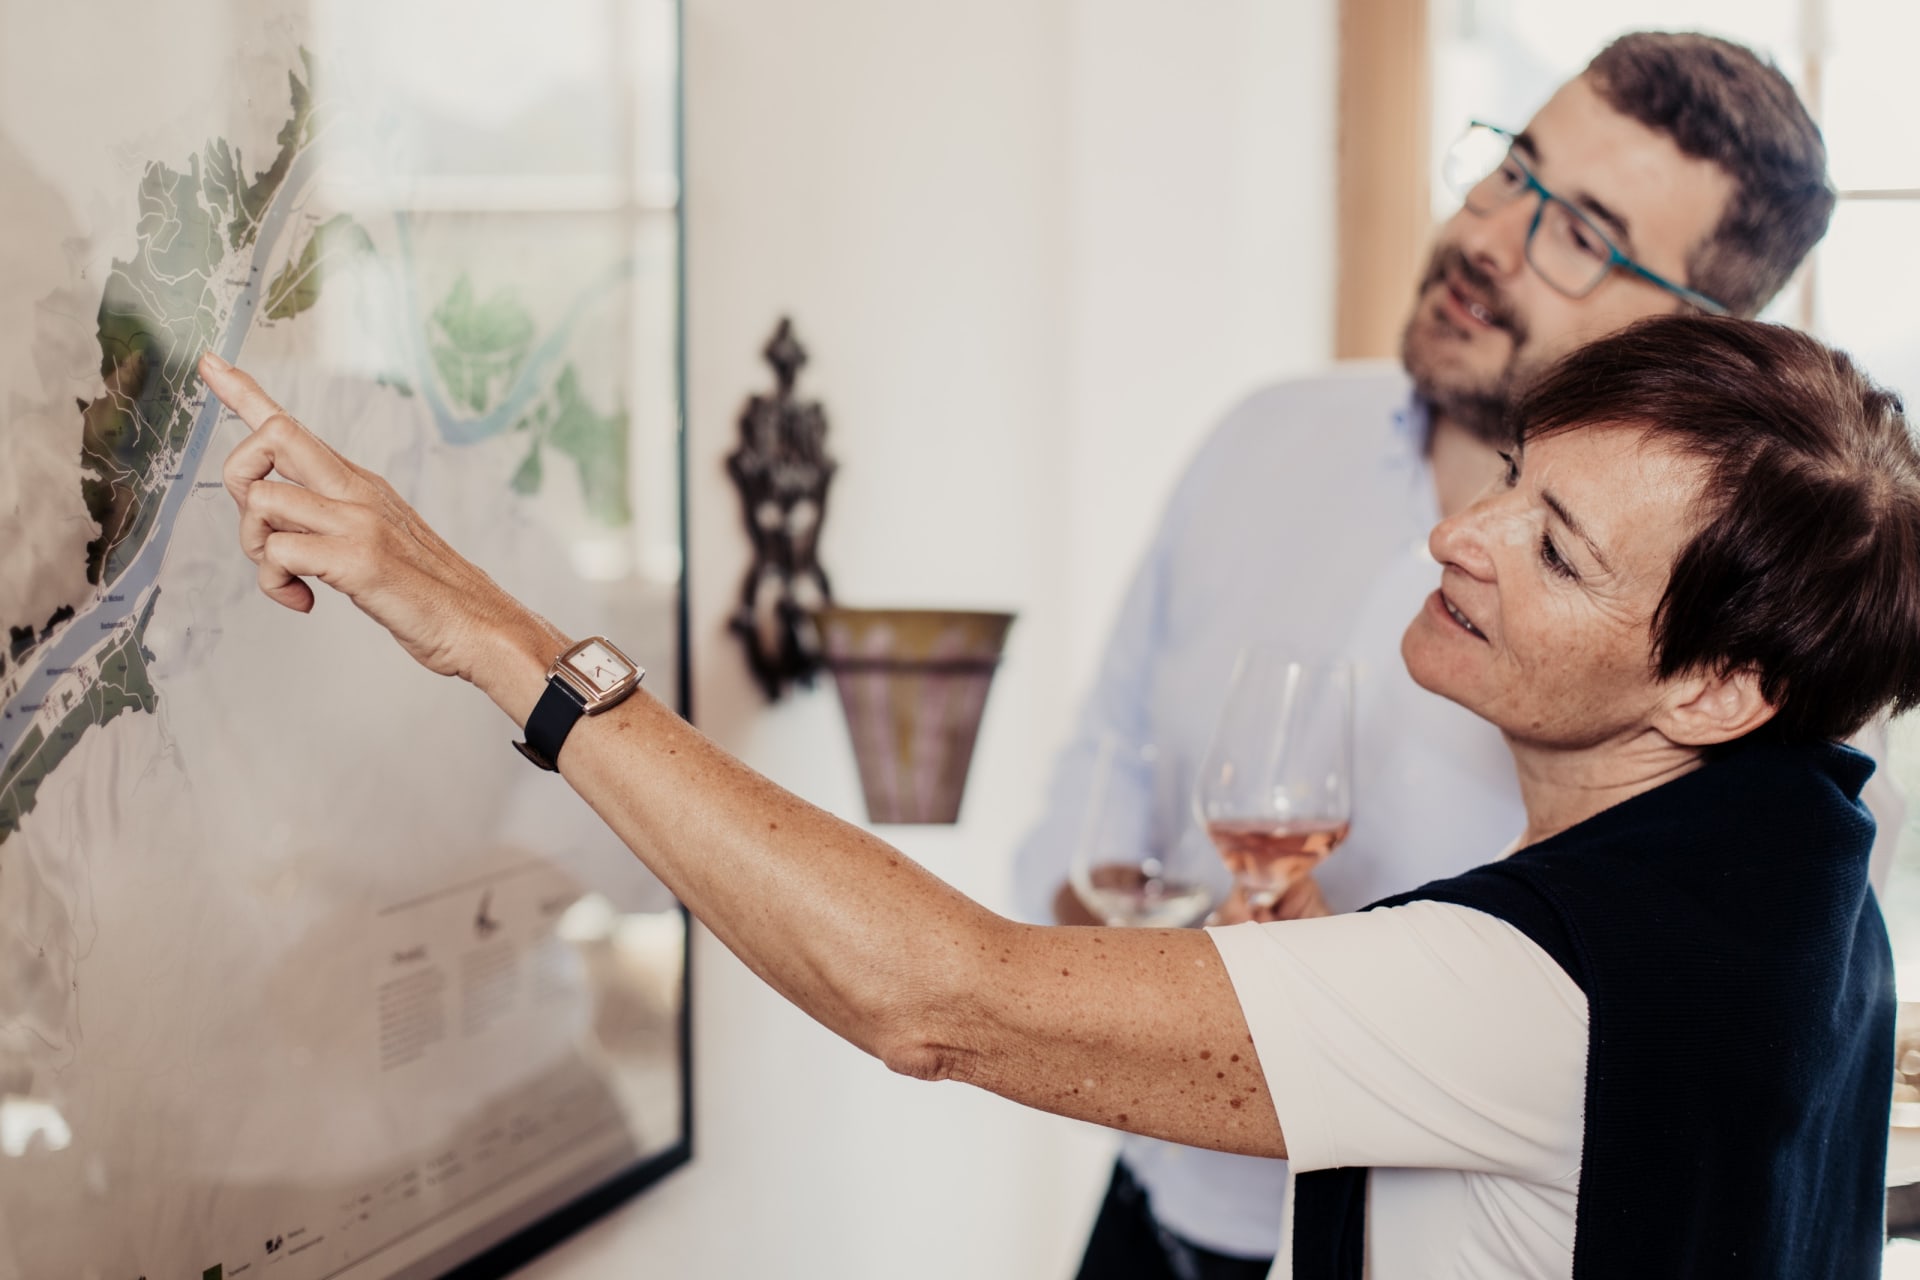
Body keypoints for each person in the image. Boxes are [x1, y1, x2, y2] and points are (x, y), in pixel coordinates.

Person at [201, 311, 1915, 1277]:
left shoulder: (1541, 980)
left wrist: (487, 631)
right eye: (1515, 476)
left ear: (1716, 686)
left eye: (1554, 547)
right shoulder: (1805, 876)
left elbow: (936, 1001)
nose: (1458, 533)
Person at [1011, 32, 1901, 1277]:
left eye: (1580, 232)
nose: (1489, 234)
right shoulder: (1264, 439)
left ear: (1700, 334)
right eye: (1511, 169)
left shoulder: (1754, 712)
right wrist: (1123, 956)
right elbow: (1111, 753)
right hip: (1151, 1197)